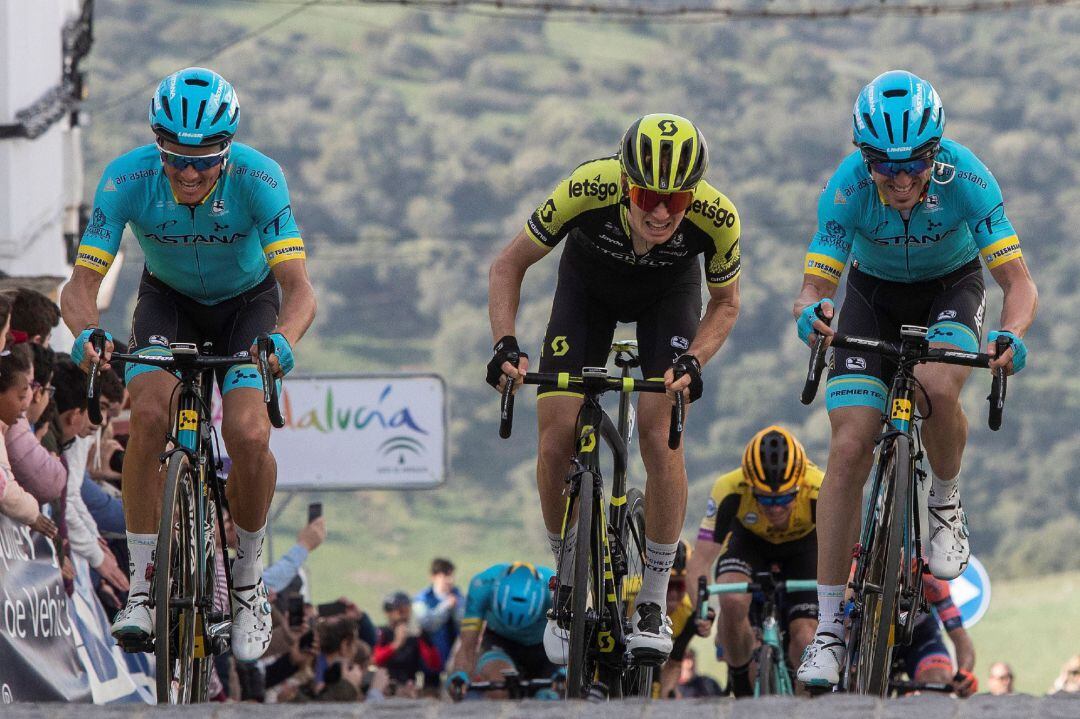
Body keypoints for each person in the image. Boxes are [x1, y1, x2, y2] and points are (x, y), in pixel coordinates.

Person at [59, 66, 317, 661]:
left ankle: (249, 581)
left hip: (248, 306)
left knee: (249, 430)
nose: (191, 172)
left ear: (227, 151)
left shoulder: (259, 177)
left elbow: (300, 291)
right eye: (176, 158)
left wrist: (282, 339)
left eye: (205, 159)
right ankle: (145, 589)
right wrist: (85, 332)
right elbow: (81, 287)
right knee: (148, 414)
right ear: (159, 147)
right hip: (167, 303)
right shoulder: (126, 178)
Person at [793, 70, 1038, 686]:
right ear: (863, 157)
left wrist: (1012, 334)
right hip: (871, 297)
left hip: (949, 292)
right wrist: (811, 311)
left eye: (915, 164)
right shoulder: (846, 189)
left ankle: (945, 501)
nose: (901, 181)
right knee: (848, 446)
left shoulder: (968, 177)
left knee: (935, 388)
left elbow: (1018, 282)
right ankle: (829, 628)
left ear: (936, 152)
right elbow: (817, 285)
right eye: (884, 165)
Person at [487, 113, 742, 664]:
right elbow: (508, 265)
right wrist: (506, 343)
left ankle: (651, 598)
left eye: (675, 201)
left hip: (667, 299)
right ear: (626, 182)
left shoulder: (718, 218)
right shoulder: (585, 188)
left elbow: (725, 303)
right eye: (647, 194)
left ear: (692, 195)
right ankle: (567, 573)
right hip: (587, 292)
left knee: (660, 433)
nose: (659, 210)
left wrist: (695, 359)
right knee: (555, 436)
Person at [686, 425, 823, 696]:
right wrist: (702, 610)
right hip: (748, 544)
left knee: (806, 638)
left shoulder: (819, 486)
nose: (775, 507)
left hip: (805, 549)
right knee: (732, 599)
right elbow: (700, 562)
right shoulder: (729, 488)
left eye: (785, 497)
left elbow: (845, 554)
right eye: (764, 497)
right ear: (749, 483)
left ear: (799, 483)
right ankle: (739, 679)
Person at [446, 562, 556, 699]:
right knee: (499, 686)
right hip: (500, 643)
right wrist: (459, 673)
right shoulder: (481, 586)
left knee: (551, 695)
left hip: (545, 648)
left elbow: (571, 642)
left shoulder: (554, 589)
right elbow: (468, 645)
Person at [891, 569, 977, 697]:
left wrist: (964, 673)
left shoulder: (931, 580)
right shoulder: (857, 568)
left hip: (920, 636)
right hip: (870, 635)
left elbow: (959, 635)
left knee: (939, 679)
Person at [372, 590, 441, 696]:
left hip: (410, 684)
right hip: (386, 684)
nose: (403, 615)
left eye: (407, 610)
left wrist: (423, 639)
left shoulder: (416, 636)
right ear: (389, 613)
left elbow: (434, 664)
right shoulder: (383, 633)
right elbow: (375, 659)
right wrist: (395, 645)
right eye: (400, 611)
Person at [413, 557, 464, 688]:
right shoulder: (422, 599)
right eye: (445, 575)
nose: (449, 580)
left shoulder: (459, 596)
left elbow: (464, 621)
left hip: (454, 657)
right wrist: (446, 606)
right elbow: (427, 623)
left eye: (451, 576)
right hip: (432, 657)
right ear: (434, 576)